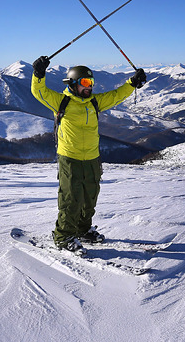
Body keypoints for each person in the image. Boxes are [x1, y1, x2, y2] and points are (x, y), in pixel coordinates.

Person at [31, 55, 146, 252]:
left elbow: (116, 95)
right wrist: (38, 74)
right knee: (71, 199)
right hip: (70, 158)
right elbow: (38, 92)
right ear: (73, 83)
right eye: (85, 82)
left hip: (92, 159)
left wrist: (132, 83)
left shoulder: (94, 102)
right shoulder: (61, 102)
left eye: (91, 82)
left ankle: (83, 230)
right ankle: (63, 236)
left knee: (89, 198)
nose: (89, 86)